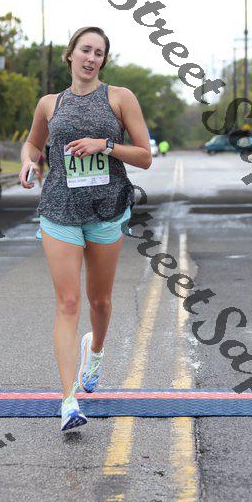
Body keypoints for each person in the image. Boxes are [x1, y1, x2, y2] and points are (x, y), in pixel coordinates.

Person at [19, 26, 151, 433]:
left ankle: (95, 352)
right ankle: (68, 401)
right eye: (85, 50)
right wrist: (29, 162)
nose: (91, 58)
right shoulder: (49, 104)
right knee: (69, 302)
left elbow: (145, 156)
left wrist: (104, 145)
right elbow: (33, 144)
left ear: (103, 61)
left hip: (106, 209)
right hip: (59, 209)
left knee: (101, 301)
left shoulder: (120, 98)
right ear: (70, 54)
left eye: (99, 53)